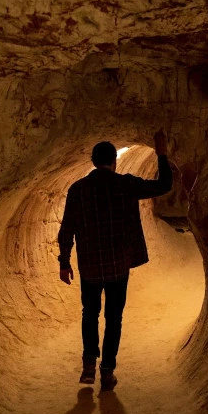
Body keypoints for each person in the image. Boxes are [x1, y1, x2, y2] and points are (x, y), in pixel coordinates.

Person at [57, 130, 173, 390]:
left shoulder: (77, 190)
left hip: (89, 267)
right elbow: (164, 185)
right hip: (118, 266)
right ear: (114, 161)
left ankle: (88, 365)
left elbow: (67, 229)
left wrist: (64, 262)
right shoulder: (125, 184)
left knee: (90, 314)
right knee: (113, 318)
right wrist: (161, 153)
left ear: (93, 161)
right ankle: (107, 371)